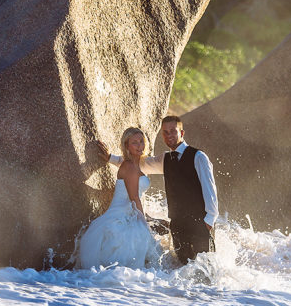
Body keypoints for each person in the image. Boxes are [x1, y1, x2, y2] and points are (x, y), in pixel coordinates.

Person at [98, 115, 218, 265]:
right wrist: (110, 158)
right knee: (183, 269)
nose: (169, 136)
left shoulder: (198, 157)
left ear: (182, 133)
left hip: (200, 224)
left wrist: (208, 222)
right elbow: (137, 164)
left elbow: (210, 191)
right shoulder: (165, 159)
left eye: (173, 131)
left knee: (207, 269)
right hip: (177, 225)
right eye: (165, 132)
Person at [79, 127, 160, 269]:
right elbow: (134, 197)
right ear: (126, 146)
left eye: (141, 141)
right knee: (123, 270)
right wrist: (145, 224)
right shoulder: (129, 166)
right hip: (121, 220)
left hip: (129, 215)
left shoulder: (135, 164)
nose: (140, 145)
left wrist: (110, 157)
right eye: (134, 142)